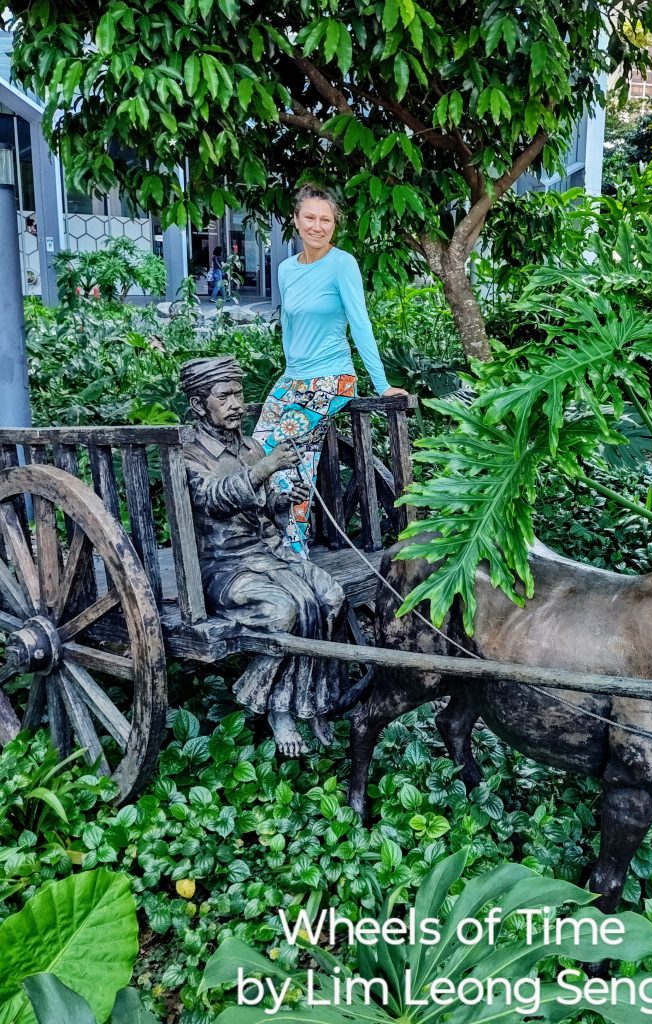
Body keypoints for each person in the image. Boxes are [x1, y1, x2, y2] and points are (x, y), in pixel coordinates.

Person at [180, 355, 348, 756]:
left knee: (330, 596)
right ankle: (278, 708)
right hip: (225, 566)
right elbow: (213, 499)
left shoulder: (251, 447)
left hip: (268, 555)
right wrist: (266, 468)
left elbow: (264, 505)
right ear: (199, 404)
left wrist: (282, 500)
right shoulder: (189, 454)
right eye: (224, 397)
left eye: (238, 394)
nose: (236, 404)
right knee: (283, 611)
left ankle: (308, 700)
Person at [253, 184, 409, 555]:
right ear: (295, 220)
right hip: (294, 379)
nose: (317, 226)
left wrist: (381, 384)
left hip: (332, 379)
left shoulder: (342, 264)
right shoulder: (286, 269)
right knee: (258, 449)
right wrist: (289, 375)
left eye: (326, 220)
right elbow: (289, 326)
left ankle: (294, 552)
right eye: (310, 217)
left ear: (334, 225)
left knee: (287, 451)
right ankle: (268, 542)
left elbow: (360, 322)